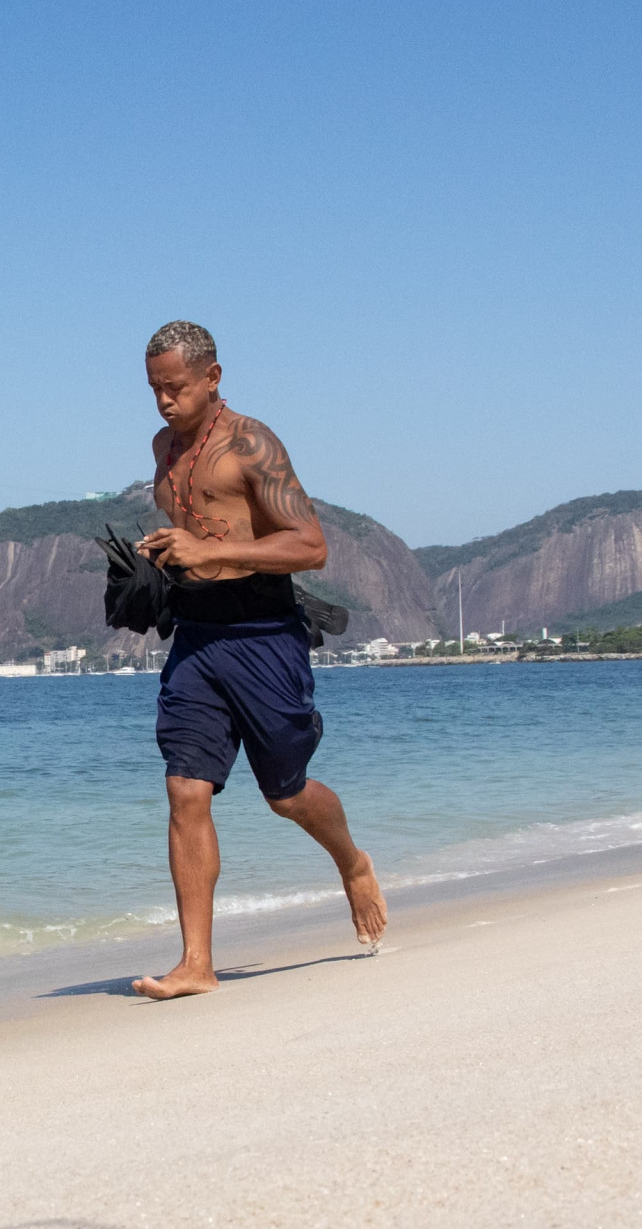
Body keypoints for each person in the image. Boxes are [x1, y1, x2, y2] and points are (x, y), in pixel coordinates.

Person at [130, 320, 387, 999]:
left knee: (287, 795)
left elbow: (310, 546)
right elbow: (198, 534)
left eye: (176, 388)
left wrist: (209, 552)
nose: (164, 402)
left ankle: (352, 861)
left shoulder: (253, 443)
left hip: (264, 632)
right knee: (185, 789)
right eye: (154, 389)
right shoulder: (163, 447)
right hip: (195, 636)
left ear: (212, 379)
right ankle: (196, 964)